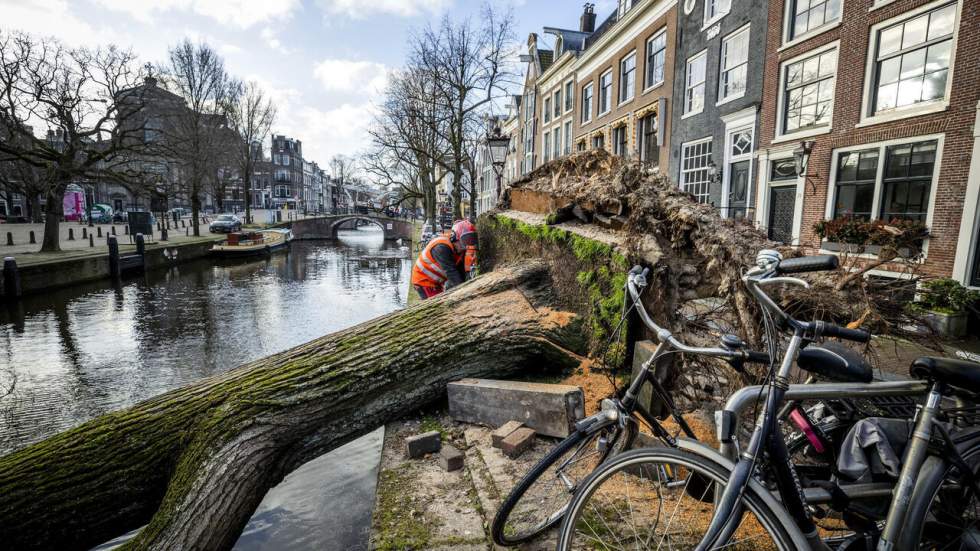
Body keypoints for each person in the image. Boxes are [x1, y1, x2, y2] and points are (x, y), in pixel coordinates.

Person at [412, 219, 478, 300]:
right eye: (464, 241)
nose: (465, 246)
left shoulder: (459, 249)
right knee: (435, 307)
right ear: (454, 237)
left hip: (436, 282)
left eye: (468, 242)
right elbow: (452, 273)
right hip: (423, 280)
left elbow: (460, 272)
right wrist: (464, 293)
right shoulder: (442, 247)